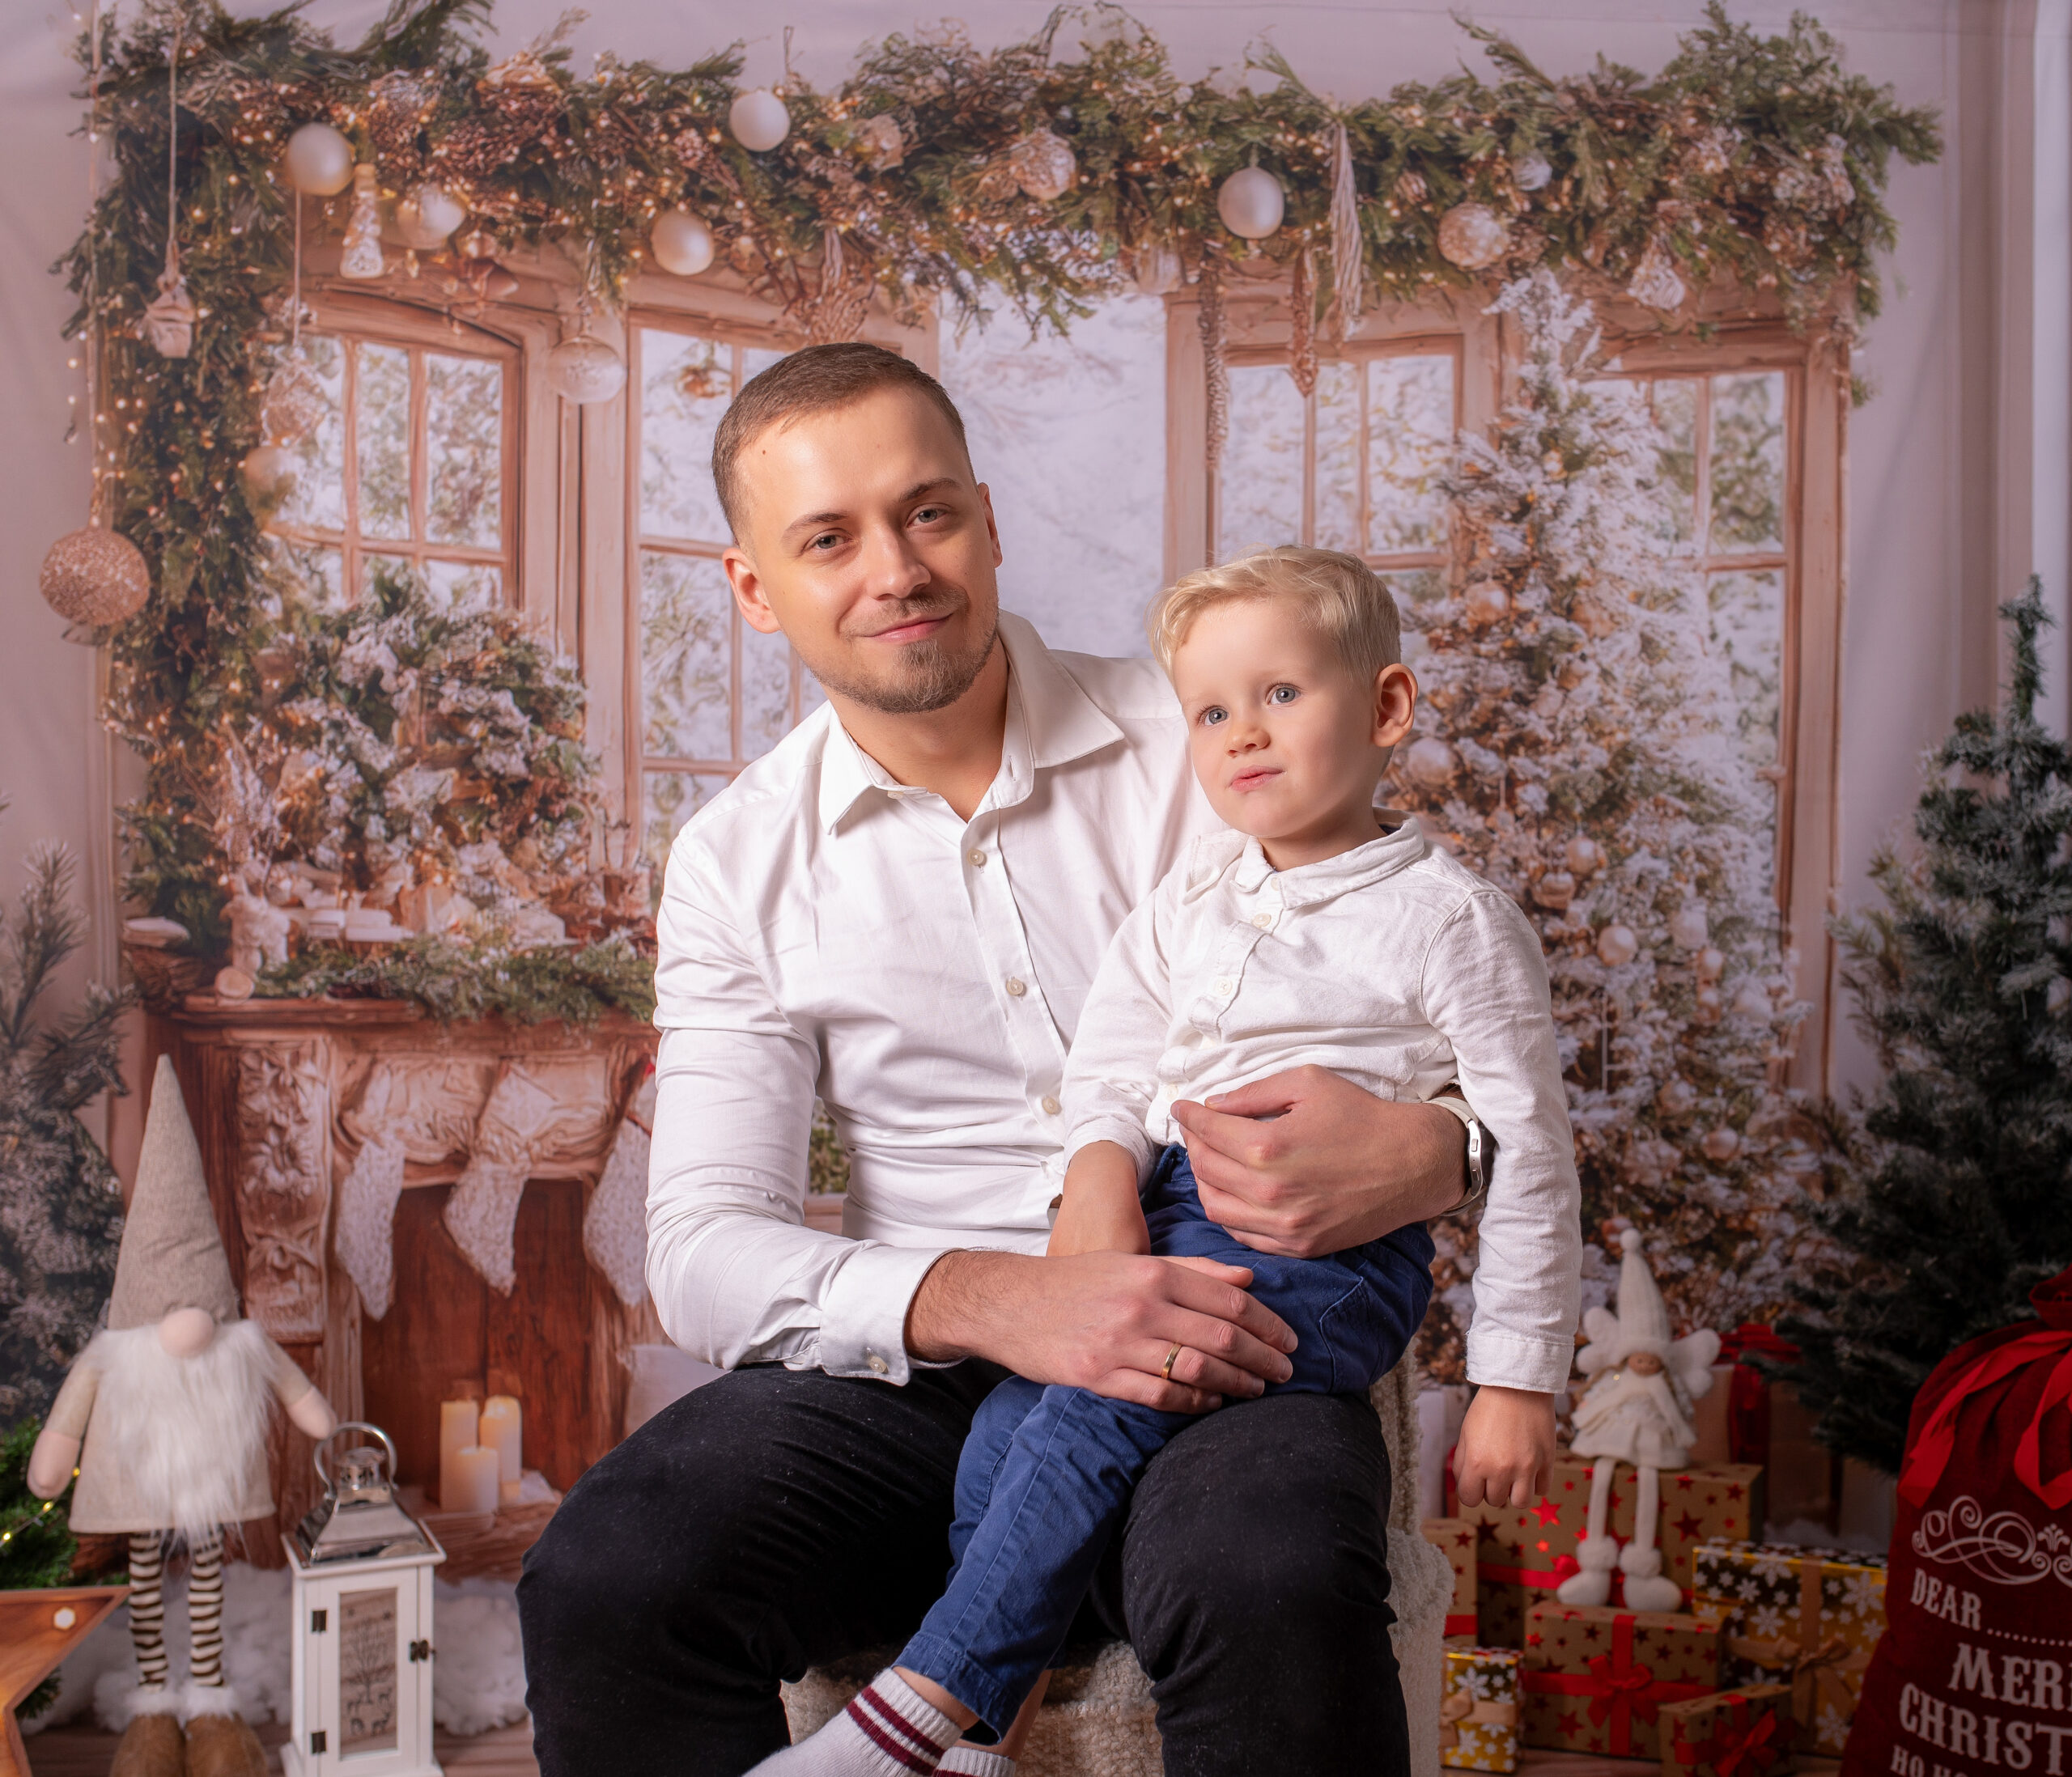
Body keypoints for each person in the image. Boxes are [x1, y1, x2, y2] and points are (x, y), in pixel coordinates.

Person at [519, 344, 1492, 1777]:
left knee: (1270, 1576)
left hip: (1226, 1336)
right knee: (609, 1579)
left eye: (928, 514)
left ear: (987, 517)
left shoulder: (1207, 740)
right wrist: (1001, 1302)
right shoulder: (736, 858)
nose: (896, 571)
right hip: (915, 1384)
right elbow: (703, 1251)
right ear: (752, 587)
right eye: (828, 539)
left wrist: (1443, 1146)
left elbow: (1434, 989)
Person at [752, 550, 1581, 1775]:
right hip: (1170, 1209)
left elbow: (1533, 1152)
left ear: (1387, 707)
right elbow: (1110, 1069)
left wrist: (1516, 1382)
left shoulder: (1451, 920)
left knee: (1095, 1404)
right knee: (1008, 1428)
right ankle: (985, 1739)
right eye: (1210, 711)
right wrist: (1098, 1177)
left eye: (1282, 694)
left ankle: (914, 1714)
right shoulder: (1189, 900)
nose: (1244, 733)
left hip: (1322, 1255)